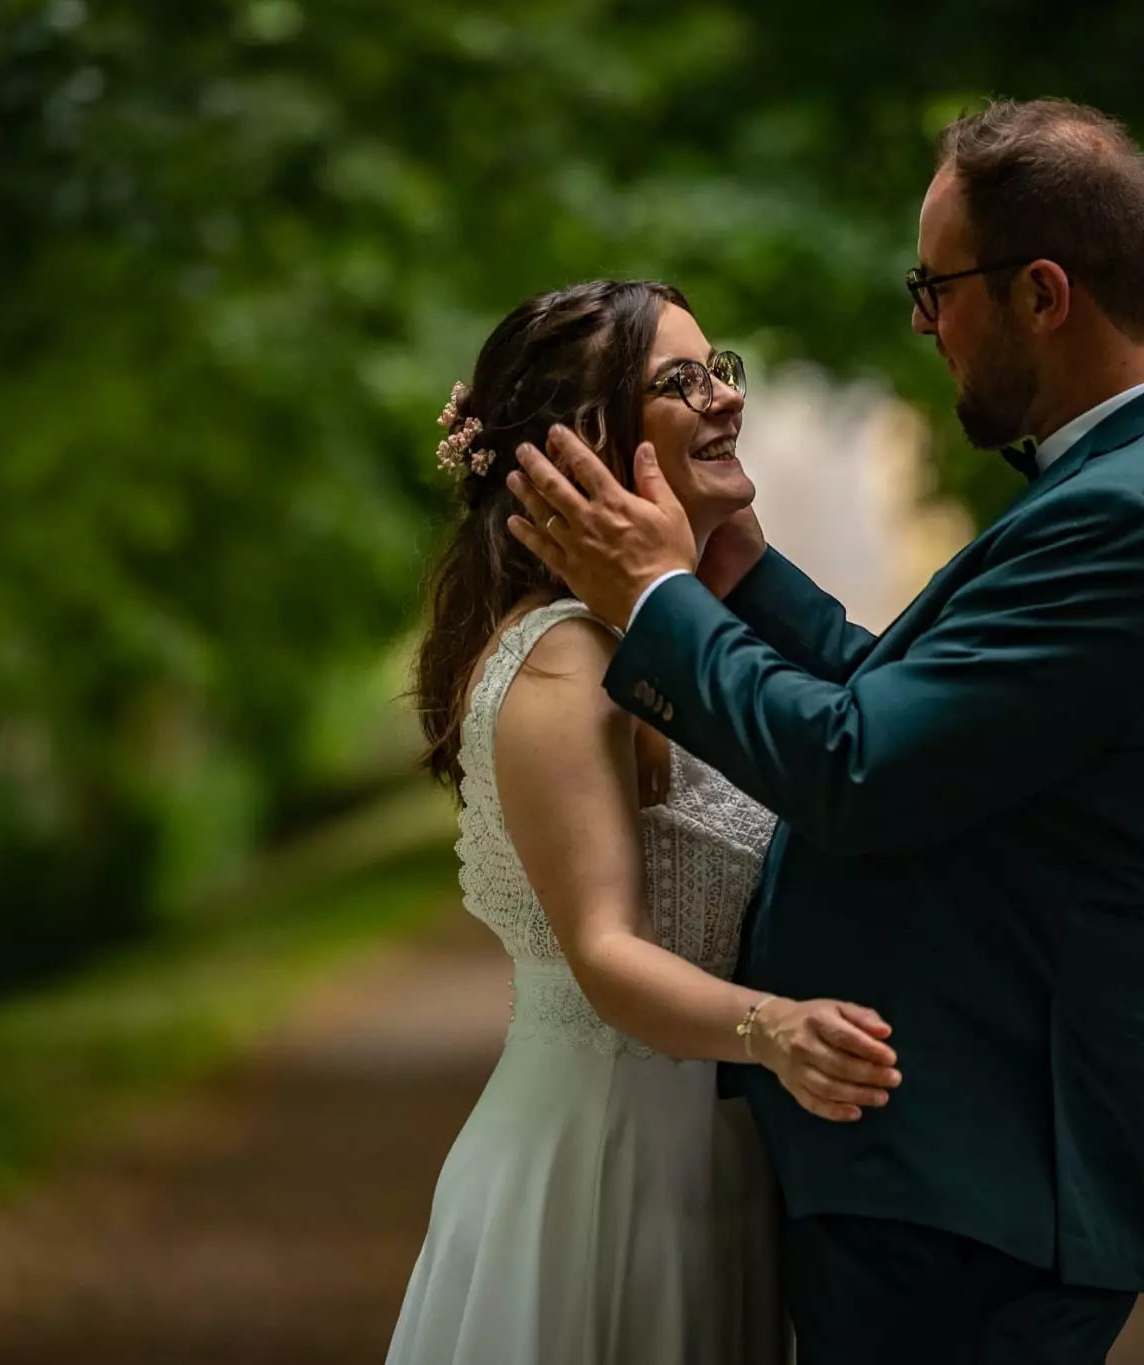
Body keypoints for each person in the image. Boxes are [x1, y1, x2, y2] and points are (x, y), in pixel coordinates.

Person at [505, 99, 1144, 1364]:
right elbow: (918, 714)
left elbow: (856, 766)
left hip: (983, 1181)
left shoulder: (1129, 518)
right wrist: (745, 577)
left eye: (935, 290)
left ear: (1040, 293)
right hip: (960, 1178)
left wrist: (651, 601)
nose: (923, 325)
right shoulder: (1143, 485)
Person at [385, 279, 901, 1365]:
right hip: (603, 1168)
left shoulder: (672, 641)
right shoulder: (562, 661)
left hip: (710, 1166)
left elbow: (872, 733)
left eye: (722, 371)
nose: (723, 399)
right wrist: (776, 1028)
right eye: (680, 381)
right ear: (589, 446)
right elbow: (605, 950)